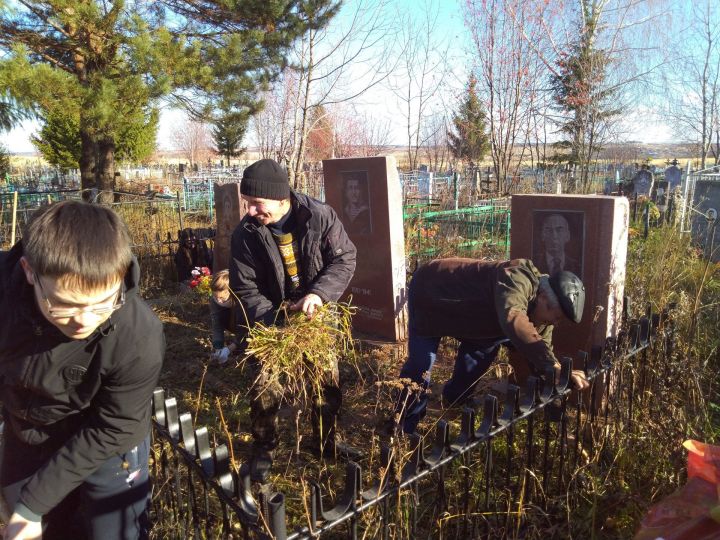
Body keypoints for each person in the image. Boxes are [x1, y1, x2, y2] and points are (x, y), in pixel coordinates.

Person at [0, 200, 164, 539]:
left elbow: (116, 424)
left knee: (112, 530)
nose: (84, 321)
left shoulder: (138, 334)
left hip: (107, 441)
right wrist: (29, 511)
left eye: (103, 303)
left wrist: (34, 503)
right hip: (29, 431)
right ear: (30, 271)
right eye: (63, 305)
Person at [229, 158, 357, 482]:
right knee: (264, 386)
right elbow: (246, 288)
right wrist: (277, 322)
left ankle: (325, 443)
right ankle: (264, 448)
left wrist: (318, 295)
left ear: (281, 198)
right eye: (247, 204)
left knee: (326, 382)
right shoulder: (245, 235)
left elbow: (343, 259)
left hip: (315, 315)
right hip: (272, 322)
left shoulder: (319, 216)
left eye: (256, 204)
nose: (251, 211)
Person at [397, 258, 589, 435]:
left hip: (475, 319)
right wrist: (552, 366)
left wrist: (556, 383)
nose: (555, 323)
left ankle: (455, 398)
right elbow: (513, 317)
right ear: (543, 299)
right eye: (556, 317)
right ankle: (405, 424)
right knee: (421, 364)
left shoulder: (543, 319)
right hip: (433, 295)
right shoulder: (517, 276)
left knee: (481, 352)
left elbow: (540, 353)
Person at [209, 270, 238, 364]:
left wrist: (230, 348)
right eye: (215, 296)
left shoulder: (240, 300)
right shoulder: (215, 301)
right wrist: (218, 347)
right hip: (229, 321)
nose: (219, 301)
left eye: (221, 298)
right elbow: (216, 323)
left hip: (242, 325)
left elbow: (246, 329)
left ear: (230, 292)